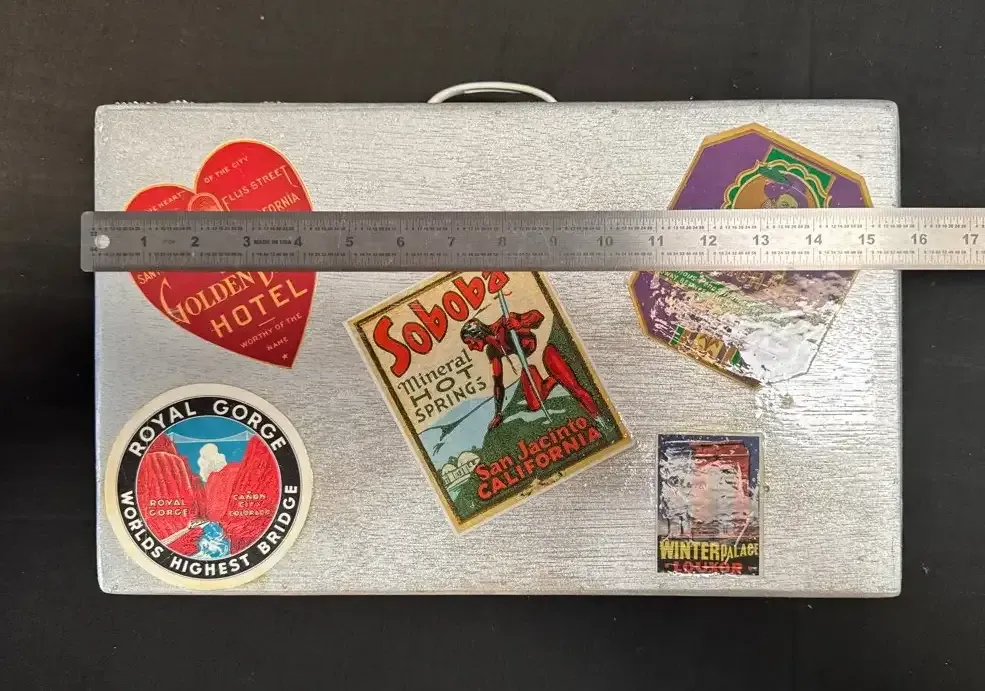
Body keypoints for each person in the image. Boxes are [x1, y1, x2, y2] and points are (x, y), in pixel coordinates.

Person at [460, 309, 602, 430]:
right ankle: (554, 378)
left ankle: (600, 419)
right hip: (530, 365)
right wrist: (498, 414)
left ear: (476, 334)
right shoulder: (492, 351)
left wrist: (520, 324)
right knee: (534, 404)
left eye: (469, 342)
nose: (470, 347)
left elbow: (538, 316)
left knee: (575, 390)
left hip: (545, 352)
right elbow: (498, 383)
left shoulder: (504, 322)